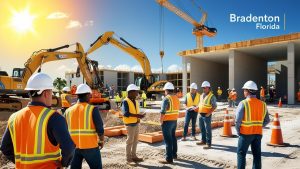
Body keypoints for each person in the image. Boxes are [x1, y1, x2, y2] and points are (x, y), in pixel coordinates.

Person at [0, 73, 75, 168]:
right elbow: (69, 148)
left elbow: (5, 147)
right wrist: (63, 163)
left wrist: (22, 163)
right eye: (51, 92)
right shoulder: (54, 117)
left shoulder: (13, 118)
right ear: (46, 93)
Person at [64, 84, 105, 169]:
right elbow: (100, 129)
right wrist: (101, 140)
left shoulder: (68, 111)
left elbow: (64, 130)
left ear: (77, 95)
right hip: (90, 146)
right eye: (89, 95)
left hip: (73, 147)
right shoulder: (93, 109)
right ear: (87, 95)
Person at [235, 80, 270, 169]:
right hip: (258, 134)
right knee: (257, 155)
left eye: (244, 90)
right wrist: (258, 126)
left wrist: (238, 132)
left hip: (245, 134)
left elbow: (237, 121)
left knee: (241, 154)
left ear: (247, 91)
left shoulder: (243, 103)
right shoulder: (263, 104)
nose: (243, 92)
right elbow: (267, 120)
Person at [122, 84, 145, 165]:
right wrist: (138, 116)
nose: (137, 94)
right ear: (131, 92)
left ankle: (134, 156)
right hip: (129, 124)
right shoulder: (125, 101)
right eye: (136, 92)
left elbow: (135, 112)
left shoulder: (135, 101)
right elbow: (126, 113)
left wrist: (139, 117)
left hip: (136, 123)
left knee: (135, 141)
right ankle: (128, 159)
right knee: (130, 141)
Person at [159, 82, 180, 164]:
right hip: (174, 121)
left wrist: (161, 120)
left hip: (167, 122)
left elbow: (163, 111)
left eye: (164, 91)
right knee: (173, 138)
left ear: (166, 90)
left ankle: (169, 158)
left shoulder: (166, 98)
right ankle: (174, 154)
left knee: (168, 140)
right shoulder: (176, 98)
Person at [196, 81, 217, 149]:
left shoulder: (212, 96)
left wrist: (209, 113)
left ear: (208, 88)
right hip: (200, 114)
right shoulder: (201, 95)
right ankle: (203, 140)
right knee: (202, 128)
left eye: (205, 88)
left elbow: (214, 106)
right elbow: (200, 104)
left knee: (208, 129)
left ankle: (208, 143)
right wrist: (196, 108)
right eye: (203, 88)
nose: (204, 89)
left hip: (207, 115)